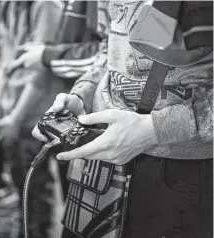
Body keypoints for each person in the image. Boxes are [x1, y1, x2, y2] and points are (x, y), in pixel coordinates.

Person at [32, 1, 213, 237]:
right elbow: (109, 49)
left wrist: (157, 129)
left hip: (181, 173)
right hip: (103, 152)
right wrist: (82, 94)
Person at [8, 1, 108, 198]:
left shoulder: (47, 6)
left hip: (108, 123)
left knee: (82, 197)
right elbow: (108, 54)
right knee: (74, 204)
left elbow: (112, 55)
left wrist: (48, 56)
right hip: (77, 108)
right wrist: (81, 95)